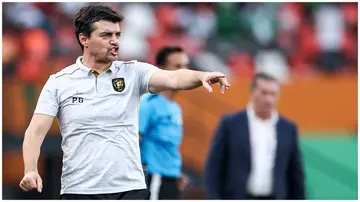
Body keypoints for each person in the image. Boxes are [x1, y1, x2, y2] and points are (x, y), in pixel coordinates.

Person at [18, 4, 230, 200]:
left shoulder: (133, 72)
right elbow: (35, 131)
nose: (115, 40)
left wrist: (201, 76)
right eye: (106, 35)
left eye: (118, 34)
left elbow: (173, 78)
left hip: (129, 189)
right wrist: (30, 169)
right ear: (84, 39)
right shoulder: (59, 82)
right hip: (79, 190)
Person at [204, 72, 304, 200]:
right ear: (252, 93)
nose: (269, 99)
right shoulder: (230, 124)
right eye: (264, 93)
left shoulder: (288, 128)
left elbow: (295, 172)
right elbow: (214, 166)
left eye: (273, 94)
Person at [139, 46, 190, 200]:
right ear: (161, 70)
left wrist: (175, 172)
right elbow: (133, 140)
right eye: (177, 66)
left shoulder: (175, 107)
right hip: (154, 177)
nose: (184, 71)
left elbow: (166, 146)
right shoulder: (148, 103)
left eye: (186, 66)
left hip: (170, 178)